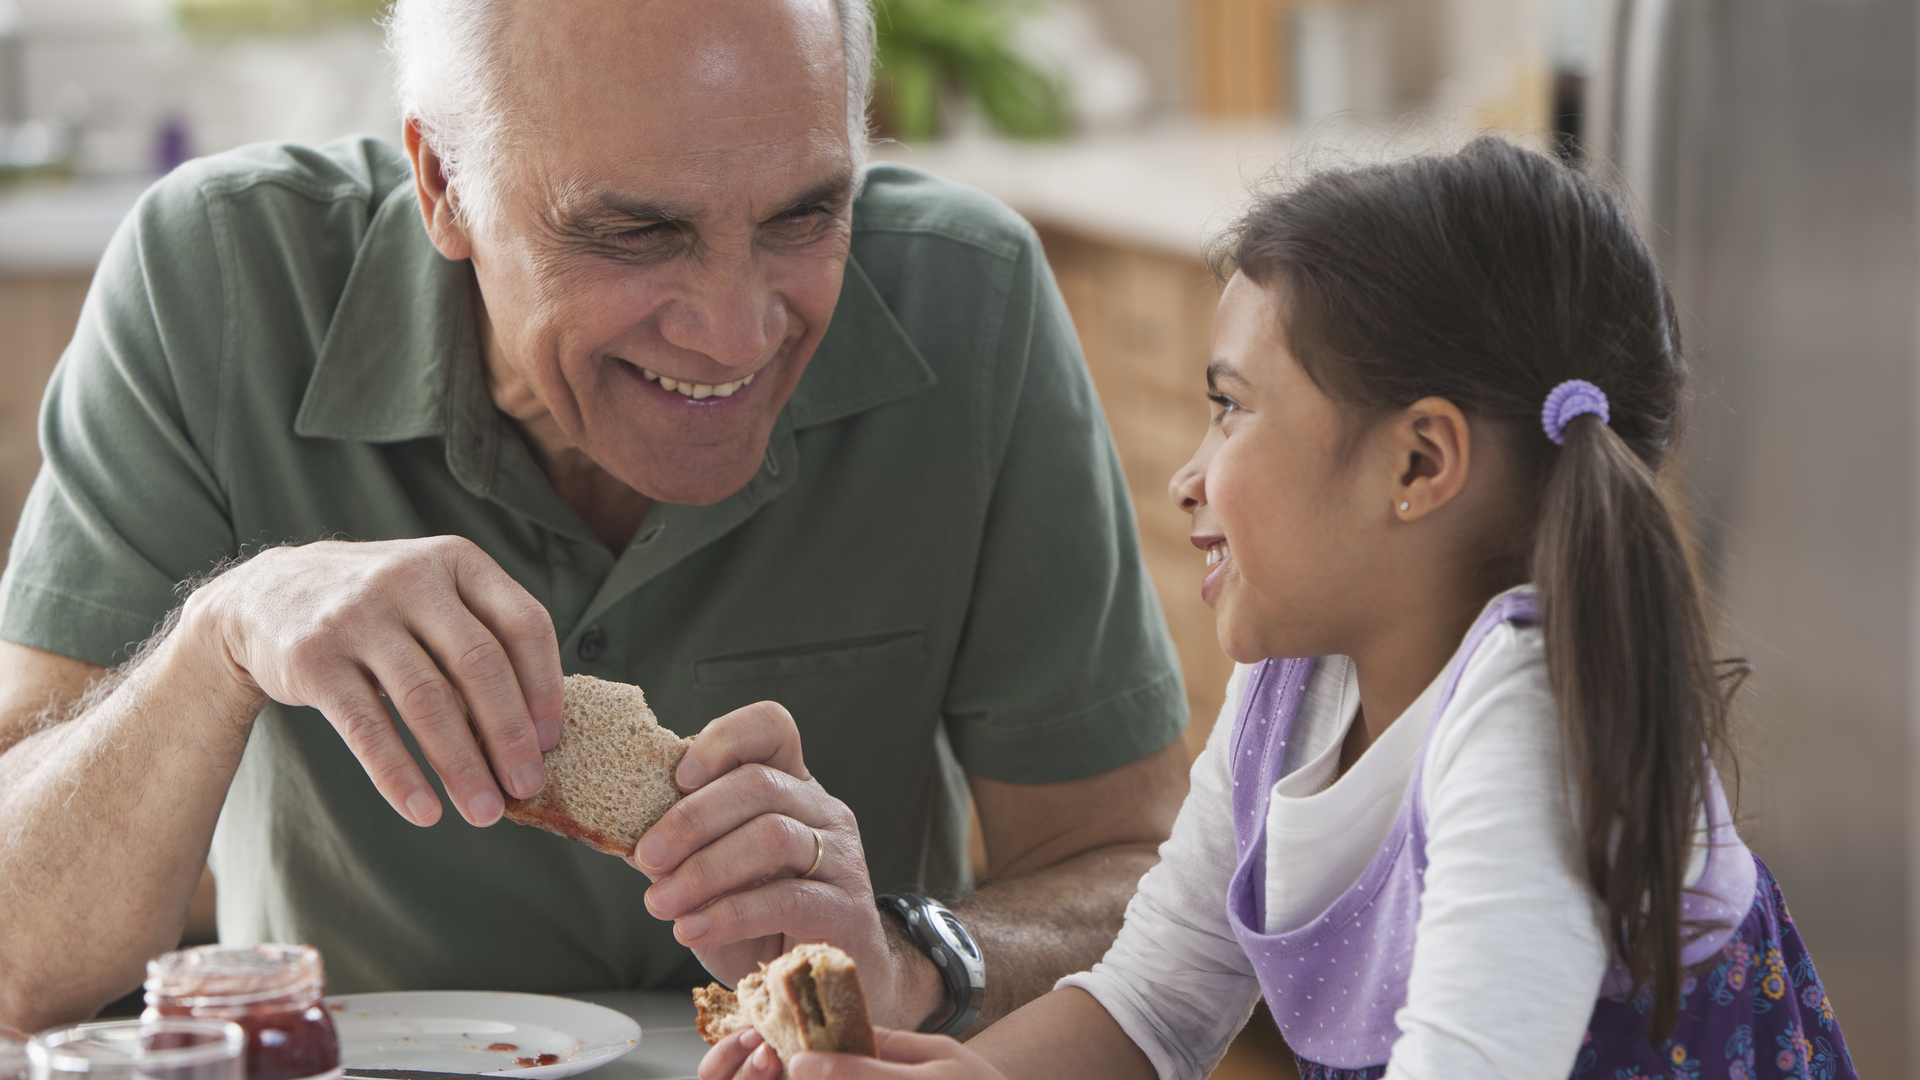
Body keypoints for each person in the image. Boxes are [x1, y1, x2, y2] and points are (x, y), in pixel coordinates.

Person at [0, 0, 1192, 1031]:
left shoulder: (970, 301)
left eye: (805, 216)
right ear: (441, 184)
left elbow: (1138, 882)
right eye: (634, 233)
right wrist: (227, 631)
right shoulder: (211, 282)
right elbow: (18, 961)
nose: (737, 336)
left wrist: (912, 960)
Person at [700, 138, 1860, 1079]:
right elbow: (1155, 1000)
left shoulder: (1528, 727)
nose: (1187, 475)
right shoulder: (1297, 676)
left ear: (1418, 465)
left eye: (1232, 408)